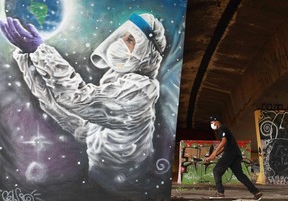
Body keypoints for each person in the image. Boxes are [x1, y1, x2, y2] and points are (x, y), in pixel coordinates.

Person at [0, 13, 166, 192]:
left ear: (145, 52)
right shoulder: (118, 80)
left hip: (125, 186)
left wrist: (40, 52)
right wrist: (28, 58)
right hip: (102, 179)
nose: (121, 42)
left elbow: (78, 98)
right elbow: (77, 118)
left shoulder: (140, 90)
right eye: (124, 36)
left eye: (131, 40)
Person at [206, 115, 263, 200]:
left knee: (216, 171)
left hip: (230, 154)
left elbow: (224, 141)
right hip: (236, 154)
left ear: (216, 121)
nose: (211, 124)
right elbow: (226, 144)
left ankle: (220, 192)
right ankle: (256, 192)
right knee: (240, 175)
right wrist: (216, 154)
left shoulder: (221, 128)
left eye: (212, 122)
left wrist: (213, 153)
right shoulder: (224, 129)